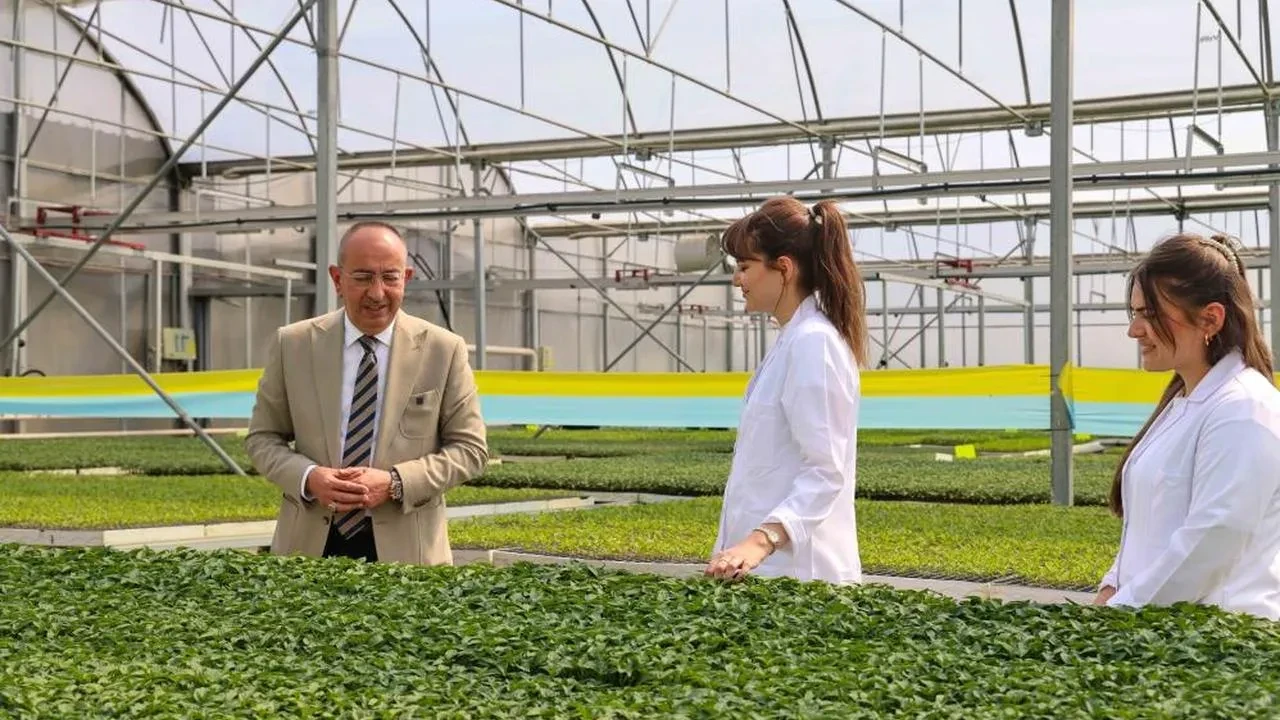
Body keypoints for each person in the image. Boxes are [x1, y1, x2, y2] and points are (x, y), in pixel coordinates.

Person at [245, 221, 488, 565]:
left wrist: (395, 483)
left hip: (410, 553)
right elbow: (262, 438)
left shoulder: (443, 350)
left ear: (406, 278)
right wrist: (309, 478)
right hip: (308, 546)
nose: (377, 293)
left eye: (389, 277)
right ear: (337, 279)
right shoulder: (294, 345)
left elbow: (470, 449)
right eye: (362, 277)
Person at [1096, 232, 1280, 621]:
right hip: (1159, 627)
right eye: (1135, 313)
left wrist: (1118, 612)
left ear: (1210, 319)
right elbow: (1147, 533)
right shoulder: (1183, 402)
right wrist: (1112, 587)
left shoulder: (1244, 409)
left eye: (1150, 315)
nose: (1135, 330)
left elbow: (1212, 541)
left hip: (1219, 638)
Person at [704, 196, 868, 584]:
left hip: (801, 574)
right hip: (766, 569)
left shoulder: (814, 343)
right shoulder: (792, 341)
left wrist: (760, 542)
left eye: (745, 267)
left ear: (784, 268)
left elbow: (825, 471)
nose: (737, 280)